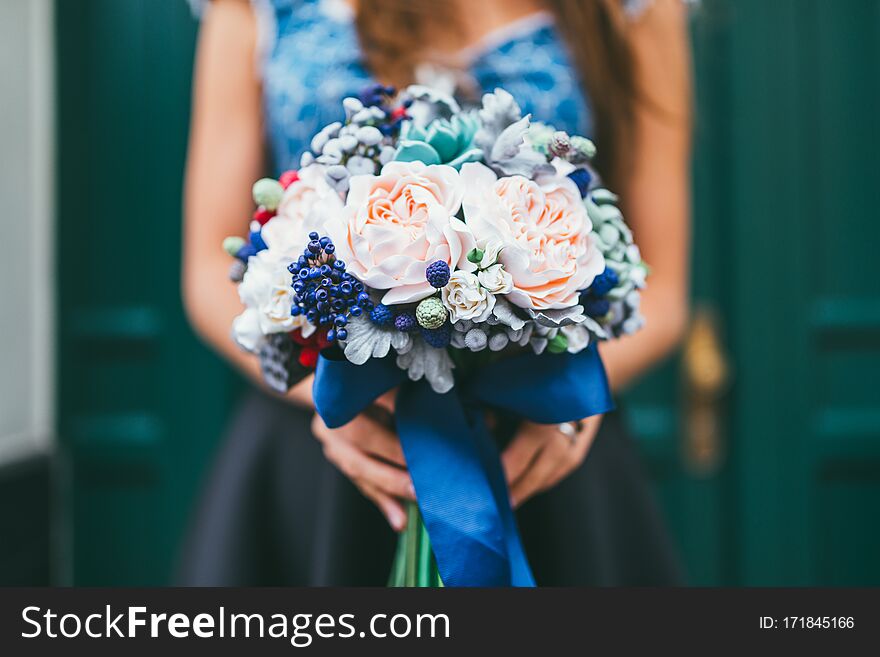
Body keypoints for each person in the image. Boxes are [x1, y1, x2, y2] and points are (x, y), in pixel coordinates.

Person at [181, 0, 691, 585]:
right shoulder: (254, 10)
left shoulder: (634, 11)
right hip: (328, 456)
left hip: (542, 456)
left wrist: (566, 408)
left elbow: (665, 293)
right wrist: (332, 403)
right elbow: (206, 276)